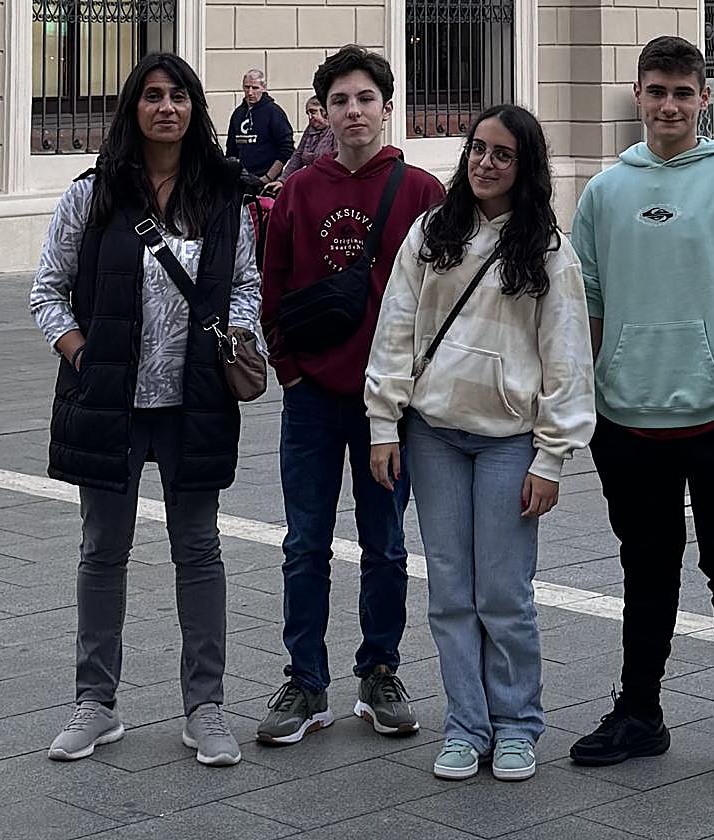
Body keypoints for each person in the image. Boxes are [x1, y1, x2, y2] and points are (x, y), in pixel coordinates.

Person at [567, 35, 714, 787]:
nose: (669, 105)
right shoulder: (604, 192)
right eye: (657, 91)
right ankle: (640, 712)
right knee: (646, 569)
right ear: (638, 95)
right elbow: (589, 299)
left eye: (683, 93)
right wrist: (591, 391)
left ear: (704, 99)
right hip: (628, 420)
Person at [31, 52, 263, 768]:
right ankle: (95, 704)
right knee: (103, 551)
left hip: (195, 402)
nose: (167, 107)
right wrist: (82, 355)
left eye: (179, 96)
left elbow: (247, 284)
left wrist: (237, 337)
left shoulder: (222, 196)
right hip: (112, 405)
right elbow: (48, 289)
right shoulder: (93, 193)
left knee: (198, 551)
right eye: (153, 95)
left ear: (195, 108)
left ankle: (205, 707)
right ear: (134, 106)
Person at [365, 104, 595, 782]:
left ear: (525, 168)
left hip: (509, 442)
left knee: (503, 593)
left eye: (502, 154)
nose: (485, 164)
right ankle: (466, 726)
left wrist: (551, 458)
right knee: (449, 592)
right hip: (432, 434)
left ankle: (517, 724)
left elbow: (567, 358)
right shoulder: (430, 232)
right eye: (478, 149)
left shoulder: (548, 249)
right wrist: (383, 424)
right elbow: (395, 330)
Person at [256, 45, 445, 746]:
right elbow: (271, 284)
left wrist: (416, 382)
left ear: (386, 108)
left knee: (386, 544)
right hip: (312, 397)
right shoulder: (299, 191)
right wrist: (289, 370)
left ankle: (380, 671)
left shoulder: (422, 192)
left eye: (366, 98)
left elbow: (445, 294)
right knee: (304, 542)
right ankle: (305, 680)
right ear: (324, 112)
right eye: (340, 101)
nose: (354, 111)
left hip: (388, 404)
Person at [225, 69, 295, 183]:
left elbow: (286, 149)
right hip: (241, 180)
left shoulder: (274, 112)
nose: (250, 92)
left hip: (265, 180)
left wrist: (267, 178)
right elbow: (231, 150)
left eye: (255, 88)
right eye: (247, 87)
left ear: (263, 88)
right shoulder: (238, 113)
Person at [262, 96, 336, 197]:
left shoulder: (335, 131)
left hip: (329, 186)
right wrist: (282, 180)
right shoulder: (310, 129)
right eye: (308, 114)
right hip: (310, 185)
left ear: (325, 112)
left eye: (313, 112)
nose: (310, 117)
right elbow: (297, 156)